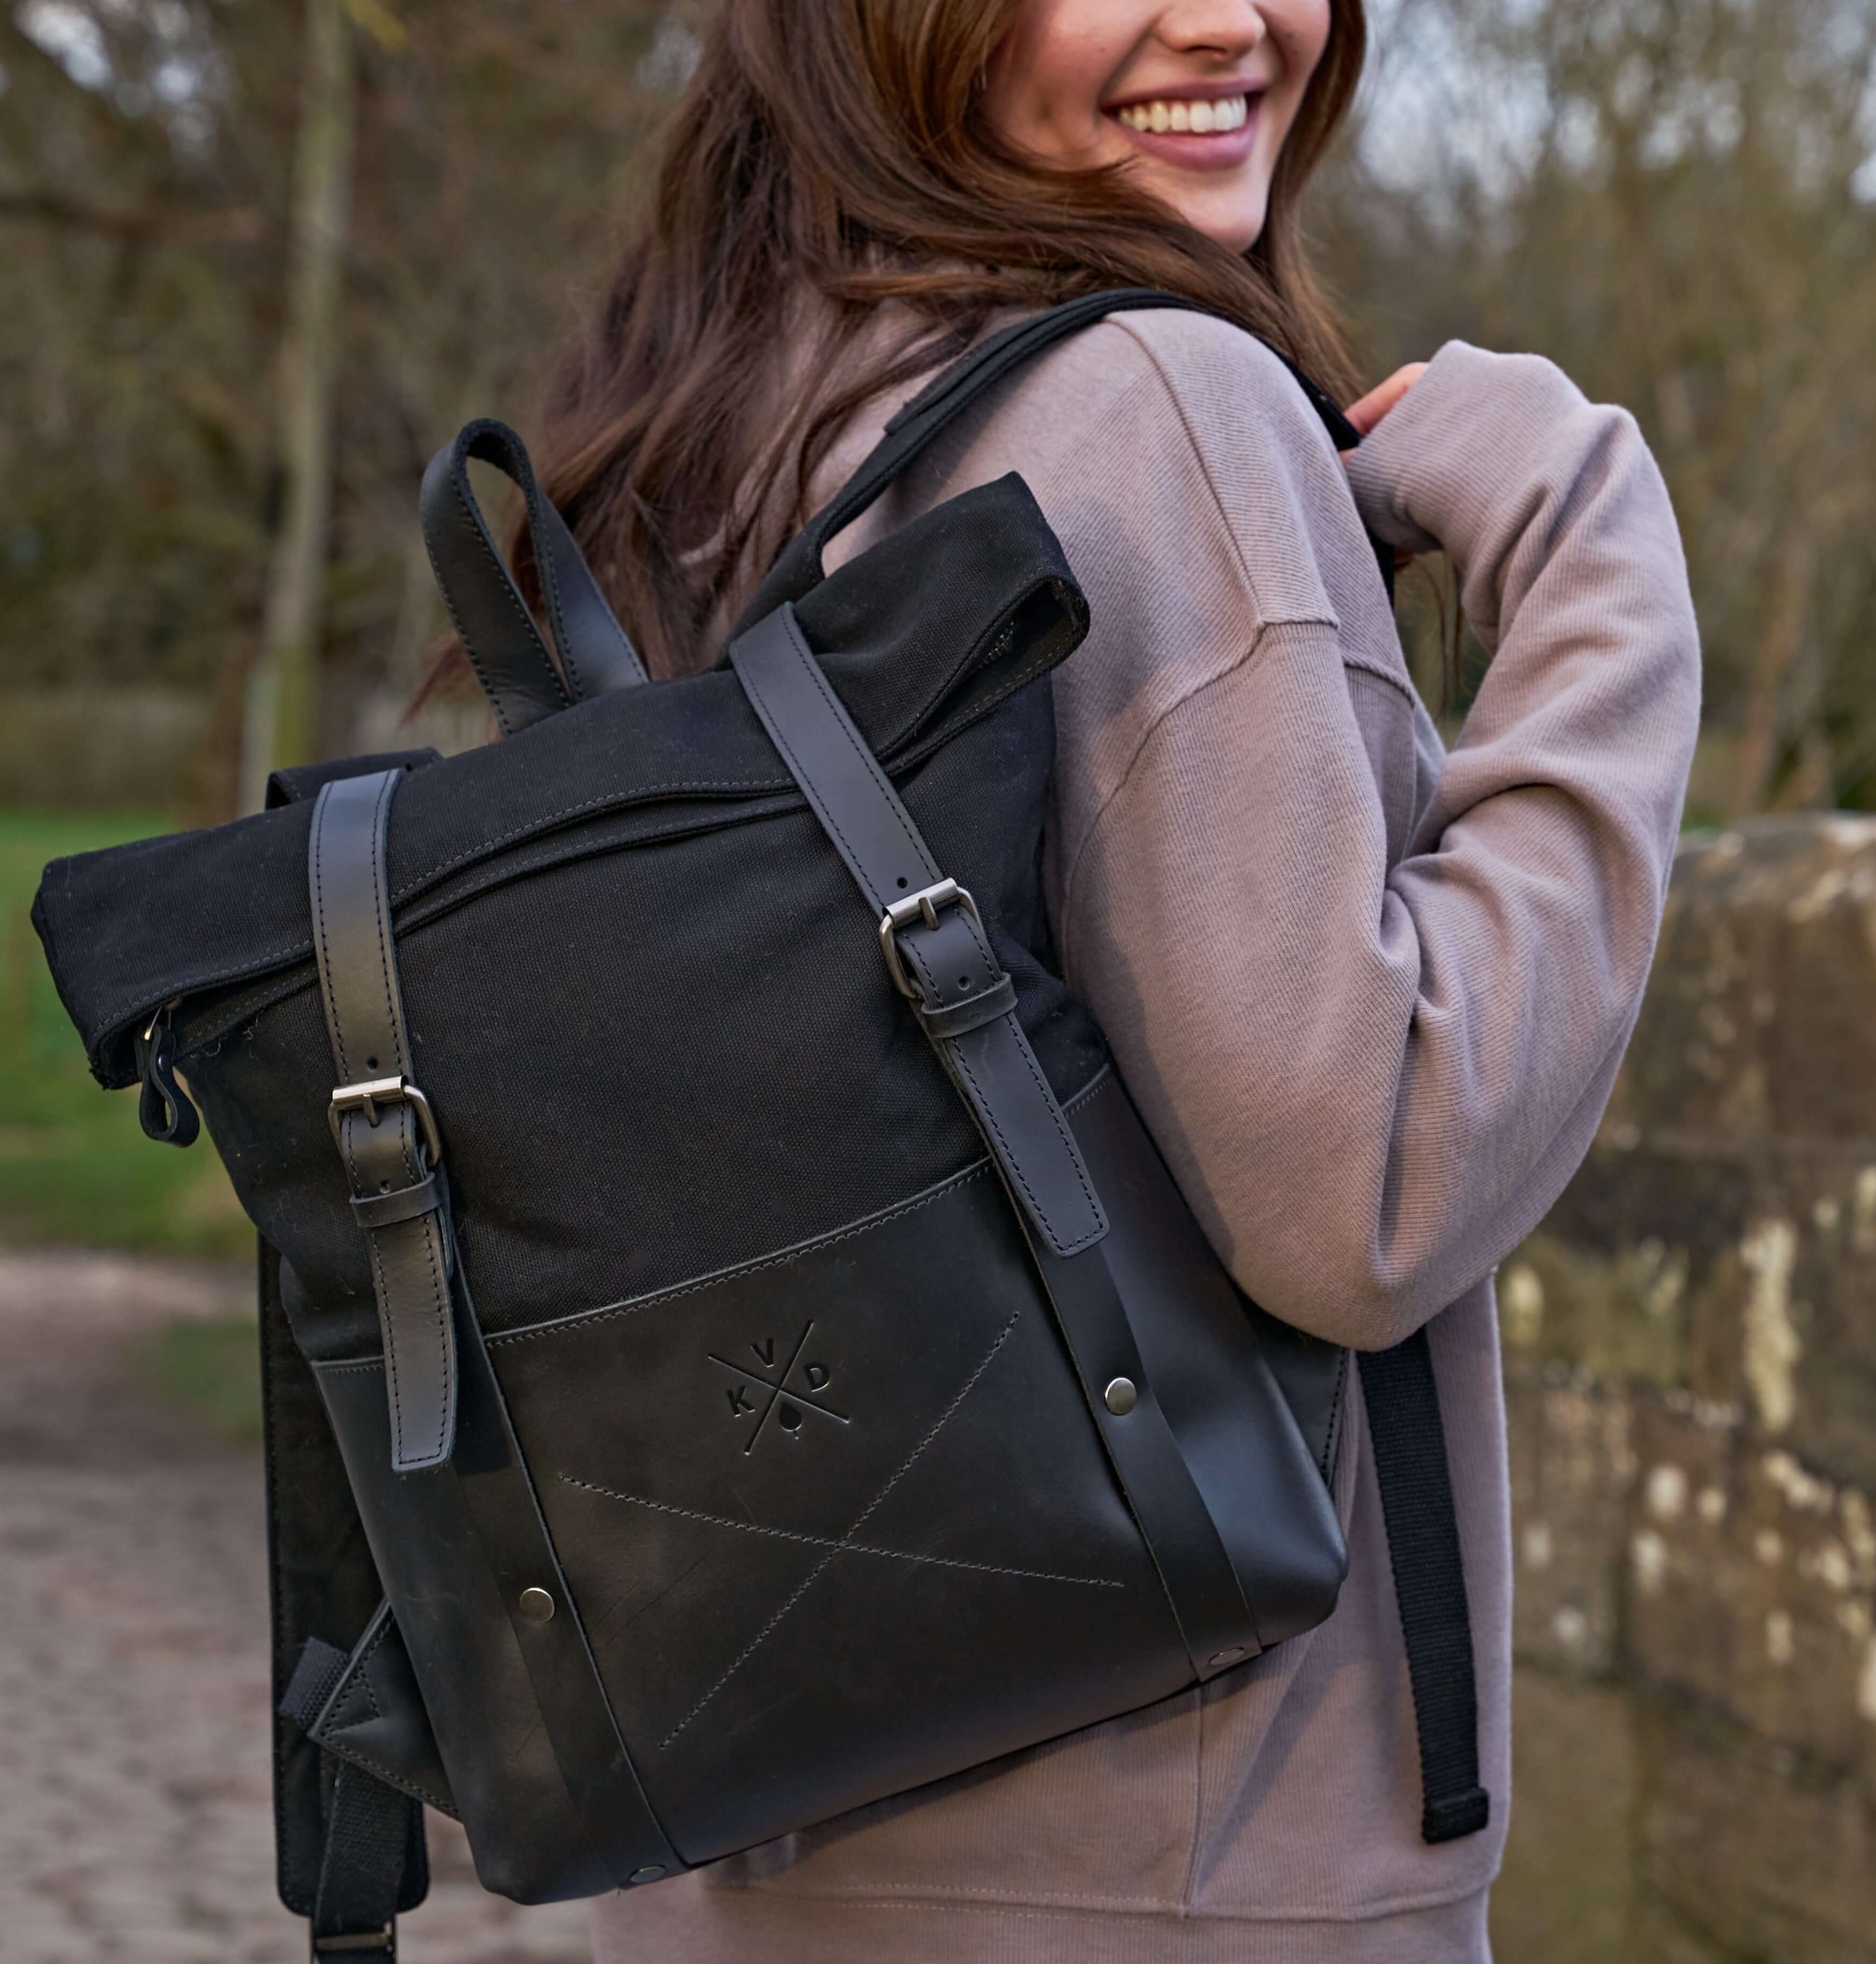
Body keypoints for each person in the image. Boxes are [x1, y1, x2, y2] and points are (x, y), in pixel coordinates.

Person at [464, 2, 1701, 1957]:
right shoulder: (1153, 401)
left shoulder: (731, 413)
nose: (1234, 20)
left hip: (771, 1835)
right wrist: (1596, 548)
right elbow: (1367, 1179)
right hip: (1191, 1874)